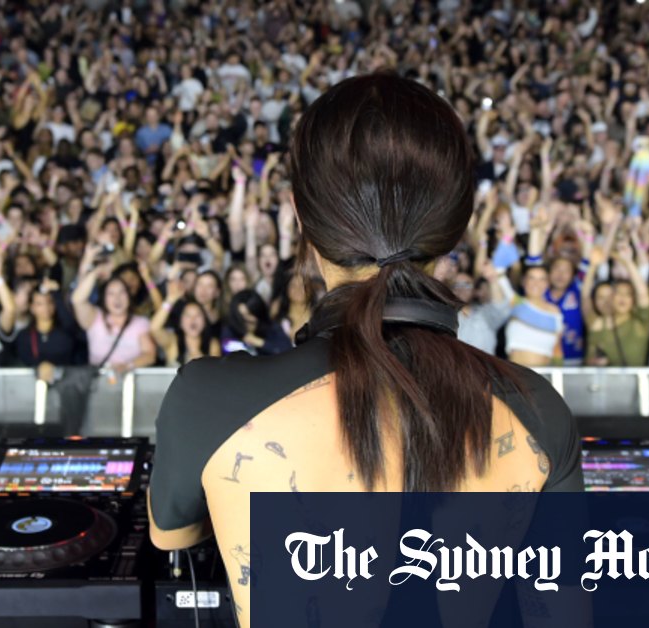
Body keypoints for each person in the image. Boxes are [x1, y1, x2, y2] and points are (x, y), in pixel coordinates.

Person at [148, 74, 582, 628]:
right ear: (458, 226)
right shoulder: (538, 409)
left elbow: (171, 534)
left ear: (301, 219)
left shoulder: (205, 397)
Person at [71, 244, 157, 375]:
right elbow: (77, 300)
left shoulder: (140, 322)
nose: (117, 298)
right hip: (97, 385)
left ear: (129, 296)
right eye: (111, 294)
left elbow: (149, 354)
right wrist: (95, 272)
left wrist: (127, 366)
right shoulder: (95, 318)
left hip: (130, 384)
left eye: (122, 293)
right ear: (104, 299)